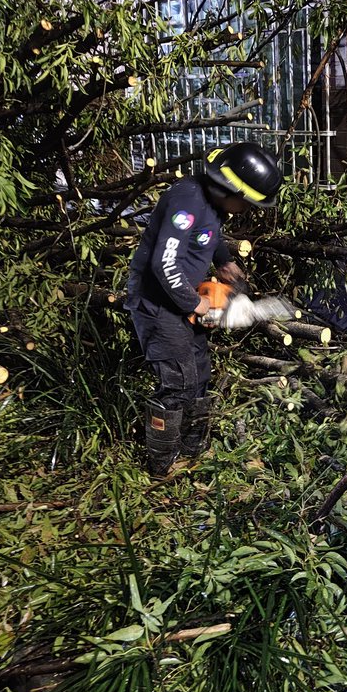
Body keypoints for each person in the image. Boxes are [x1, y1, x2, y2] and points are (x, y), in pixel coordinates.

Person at [125, 142, 283, 475]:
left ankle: (192, 451)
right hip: (158, 303)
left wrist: (224, 263)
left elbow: (206, 237)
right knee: (178, 382)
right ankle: (161, 467)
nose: (247, 209)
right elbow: (163, 263)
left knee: (198, 376)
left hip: (181, 300)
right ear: (228, 187)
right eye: (247, 201)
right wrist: (196, 303)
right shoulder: (187, 201)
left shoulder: (212, 206)